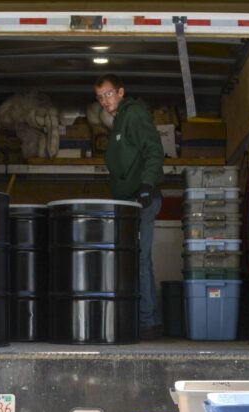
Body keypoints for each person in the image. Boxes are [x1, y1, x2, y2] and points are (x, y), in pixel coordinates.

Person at [94, 73, 165, 340]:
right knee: (135, 260)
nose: (104, 100)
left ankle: (148, 322)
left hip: (142, 199)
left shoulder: (133, 115)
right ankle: (145, 318)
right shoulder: (118, 121)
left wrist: (147, 185)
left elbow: (153, 149)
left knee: (140, 260)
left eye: (109, 94)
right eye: (100, 97)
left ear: (121, 92)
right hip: (129, 202)